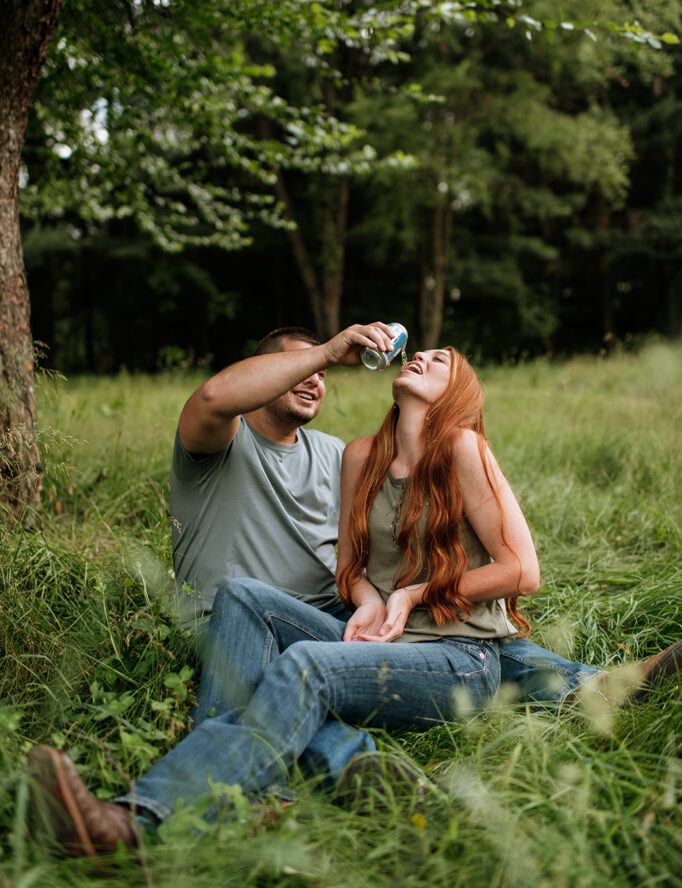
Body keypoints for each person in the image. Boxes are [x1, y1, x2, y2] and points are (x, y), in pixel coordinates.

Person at [28, 331, 682, 853]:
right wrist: (370, 599)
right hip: (332, 622)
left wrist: (405, 596)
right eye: (295, 368)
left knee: (305, 667)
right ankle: (291, 787)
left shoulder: (449, 448)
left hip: (444, 646)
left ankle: (142, 821)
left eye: (440, 360)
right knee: (243, 598)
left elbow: (521, 570)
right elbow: (351, 563)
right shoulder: (340, 455)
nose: (314, 378)